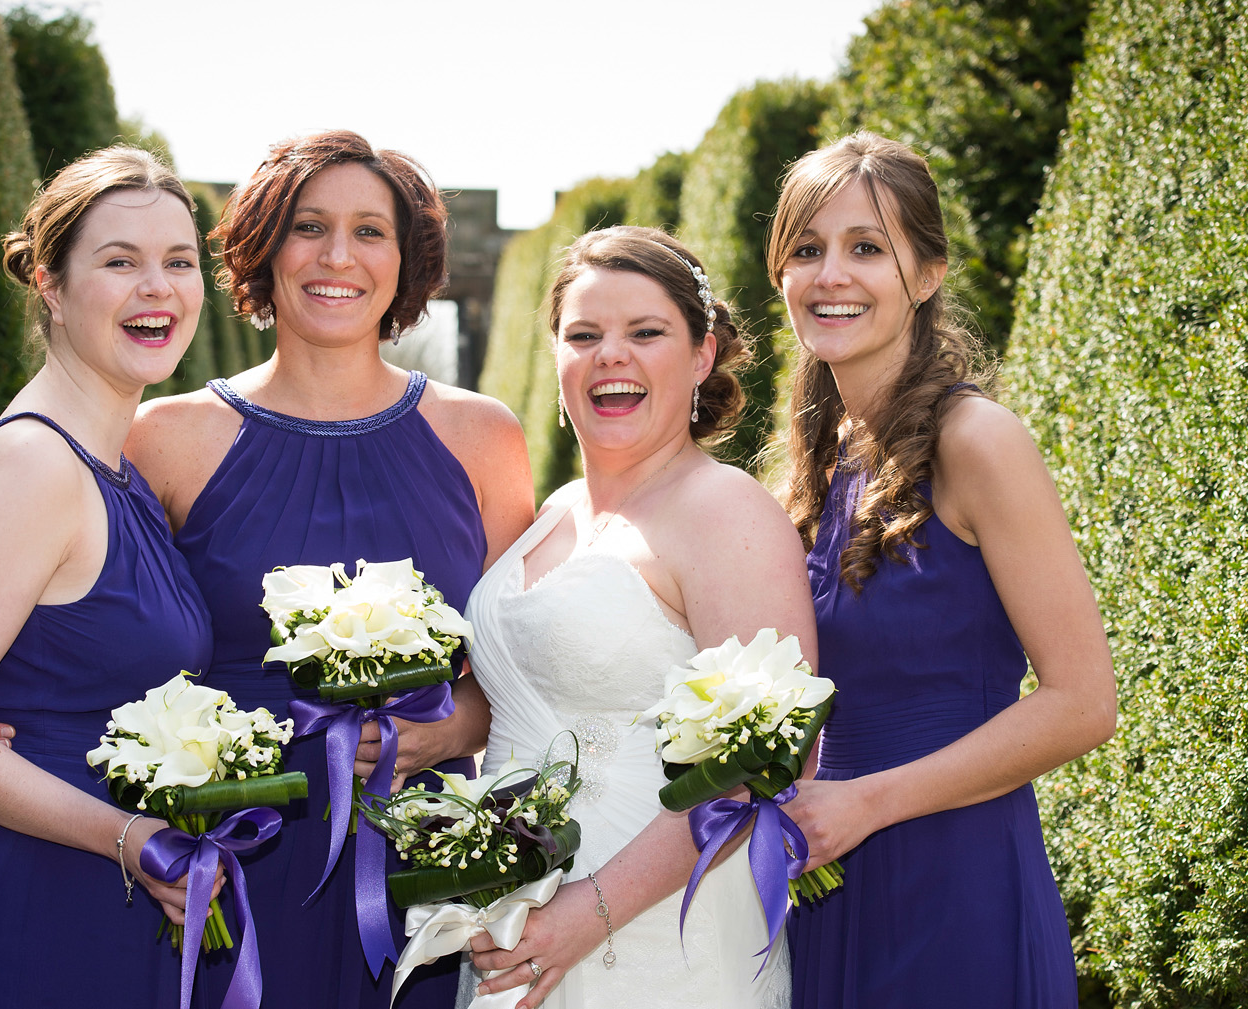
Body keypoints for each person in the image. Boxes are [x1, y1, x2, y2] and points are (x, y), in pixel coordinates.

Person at [125, 130, 535, 1008]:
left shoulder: (485, 438)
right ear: (264, 247)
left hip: (421, 862)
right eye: (309, 226)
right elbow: (115, 634)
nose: (337, 256)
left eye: (370, 231)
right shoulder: (166, 437)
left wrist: (451, 730)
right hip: (230, 857)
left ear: (406, 259)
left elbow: (523, 665)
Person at [768, 132, 1117, 1007]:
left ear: (925, 274)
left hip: (957, 883)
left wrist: (869, 802)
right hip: (829, 883)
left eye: (867, 248)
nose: (831, 274)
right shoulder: (816, 462)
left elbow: (1084, 704)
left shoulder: (978, 441)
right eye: (807, 250)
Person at [0, 147, 216, 1006]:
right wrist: (129, 835)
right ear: (49, 285)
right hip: (30, 903)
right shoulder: (33, 463)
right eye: (120, 262)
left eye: (179, 262)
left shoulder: (120, 474)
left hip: (105, 903)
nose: (160, 288)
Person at [465, 226, 816, 1009]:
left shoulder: (726, 511)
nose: (609, 354)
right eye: (582, 334)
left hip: (659, 927)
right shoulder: (553, 511)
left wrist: (586, 915)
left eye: (645, 332)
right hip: (519, 915)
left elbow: (770, 758)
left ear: (700, 355)